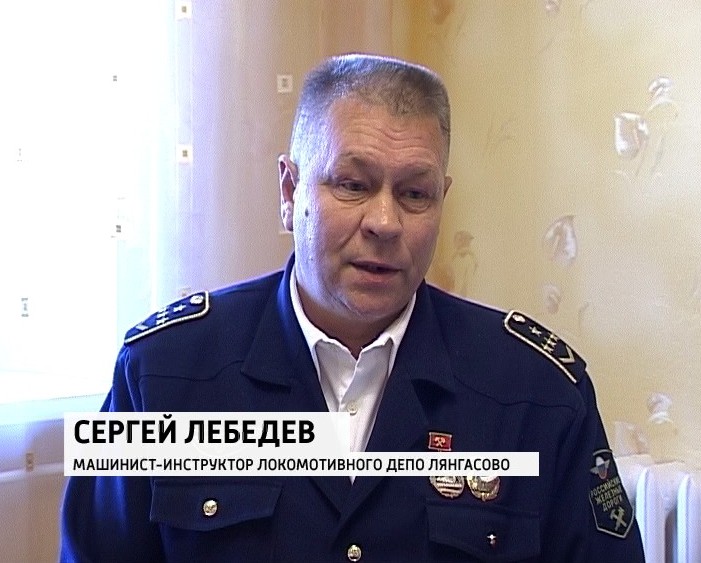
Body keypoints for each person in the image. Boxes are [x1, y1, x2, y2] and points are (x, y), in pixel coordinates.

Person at [60, 54, 646, 562]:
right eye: (352, 184)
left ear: (441, 200)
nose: (385, 222)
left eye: (414, 194)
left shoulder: (537, 392)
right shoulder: (161, 373)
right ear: (290, 191)